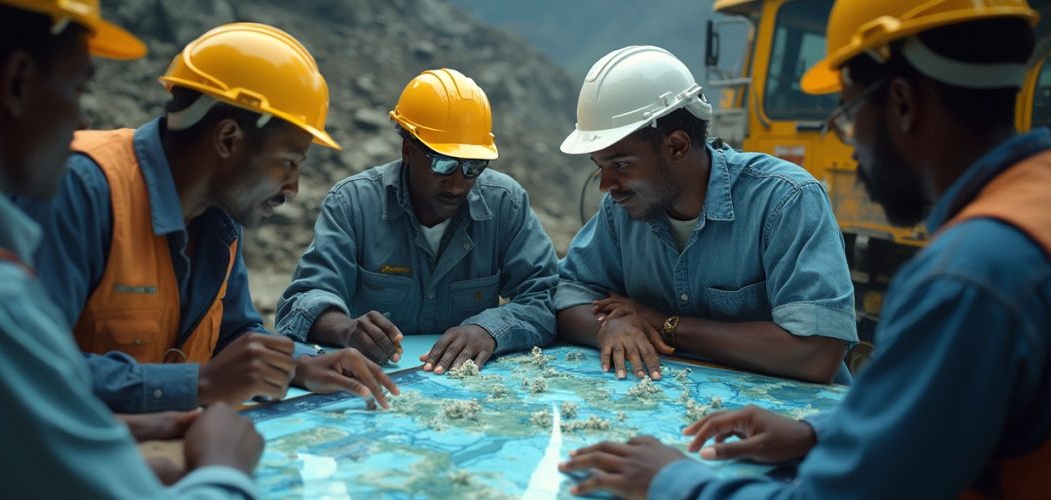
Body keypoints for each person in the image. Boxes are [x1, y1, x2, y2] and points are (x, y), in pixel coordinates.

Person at [560, 1, 1051, 498]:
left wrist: (672, 480)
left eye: (848, 113)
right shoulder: (1029, 211)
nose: (851, 144)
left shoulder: (967, 279)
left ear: (902, 104)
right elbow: (947, 416)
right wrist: (819, 433)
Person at [0, 0, 265, 497]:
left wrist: (105, 434)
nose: (80, 117)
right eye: (78, 88)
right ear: (16, 83)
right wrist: (224, 469)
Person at [16, 22, 399, 412]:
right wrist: (199, 383)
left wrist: (300, 363)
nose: (293, 187)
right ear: (228, 139)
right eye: (287, 162)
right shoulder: (78, 189)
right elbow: (28, 368)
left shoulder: (221, 215)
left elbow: (235, 332)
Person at [554, 45, 857, 384]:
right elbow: (567, 295)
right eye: (601, 167)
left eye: (621, 165)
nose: (606, 185)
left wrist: (667, 325)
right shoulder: (621, 209)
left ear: (677, 146)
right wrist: (611, 326)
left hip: (786, 423)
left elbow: (816, 353)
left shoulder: (786, 201)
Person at [276, 68, 558, 372]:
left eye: (474, 166)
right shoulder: (354, 205)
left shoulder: (506, 204)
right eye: (443, 163)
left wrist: (490, 330)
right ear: (407, 150)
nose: (458, 183)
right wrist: (346, 329)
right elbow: (301, 304)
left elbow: (544, 297)